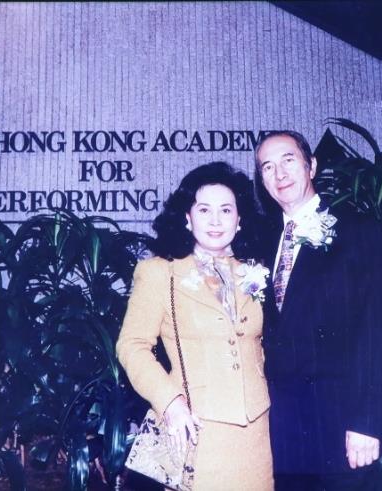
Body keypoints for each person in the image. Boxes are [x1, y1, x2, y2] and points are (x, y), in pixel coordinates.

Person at [254, 131, 382, 490]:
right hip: (284, 435)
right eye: (267, 167)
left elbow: (381, 331)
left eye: (288, 160)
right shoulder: (260, 242)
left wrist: (368, 422)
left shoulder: (361, 232)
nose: (279, 173)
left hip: (343, 427)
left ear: (312, 166)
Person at [116, 162, 274, 490]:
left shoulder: (255, 271)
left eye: (226, 210)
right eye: (204, 210)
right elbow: (131, 346)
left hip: (256, 437)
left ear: (239, 219)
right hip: (191, 428)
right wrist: (170, 402)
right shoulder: (160, 272)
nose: (215, 221)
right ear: (187, 218)